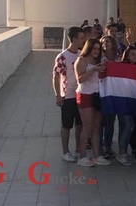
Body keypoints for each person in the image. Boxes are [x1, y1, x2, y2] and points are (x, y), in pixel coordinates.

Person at [74, 38, 110, 167]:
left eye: (98, 49)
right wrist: (94, 70)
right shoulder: (81, 60)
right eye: (94, 48)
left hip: (97, 95)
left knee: (96, 127)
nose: (96, 51)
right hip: (84, 94)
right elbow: (80, 79)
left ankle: (96, 156)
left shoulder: (101, 60)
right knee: (87, 127)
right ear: (88, 48)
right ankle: (82, 156)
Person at [52, 26, 85, 162]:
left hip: (80, 93)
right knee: (66, 125)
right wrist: (58, 95)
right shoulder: (62, 57)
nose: (83, 40)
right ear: (74, 39)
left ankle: (78, 149)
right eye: (81, 38)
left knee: (80, 124)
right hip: (67, 95)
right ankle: (65, 152)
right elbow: (56, 76)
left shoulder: (81, 54)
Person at [116, 46, 136, 166]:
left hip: (133, 102)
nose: (135, 56)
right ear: (126, 55)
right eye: (132, 54)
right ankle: (122, 152)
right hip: (122, 101)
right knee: (128, 125)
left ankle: (124, 152)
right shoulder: (121, 67)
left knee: (125, 126)